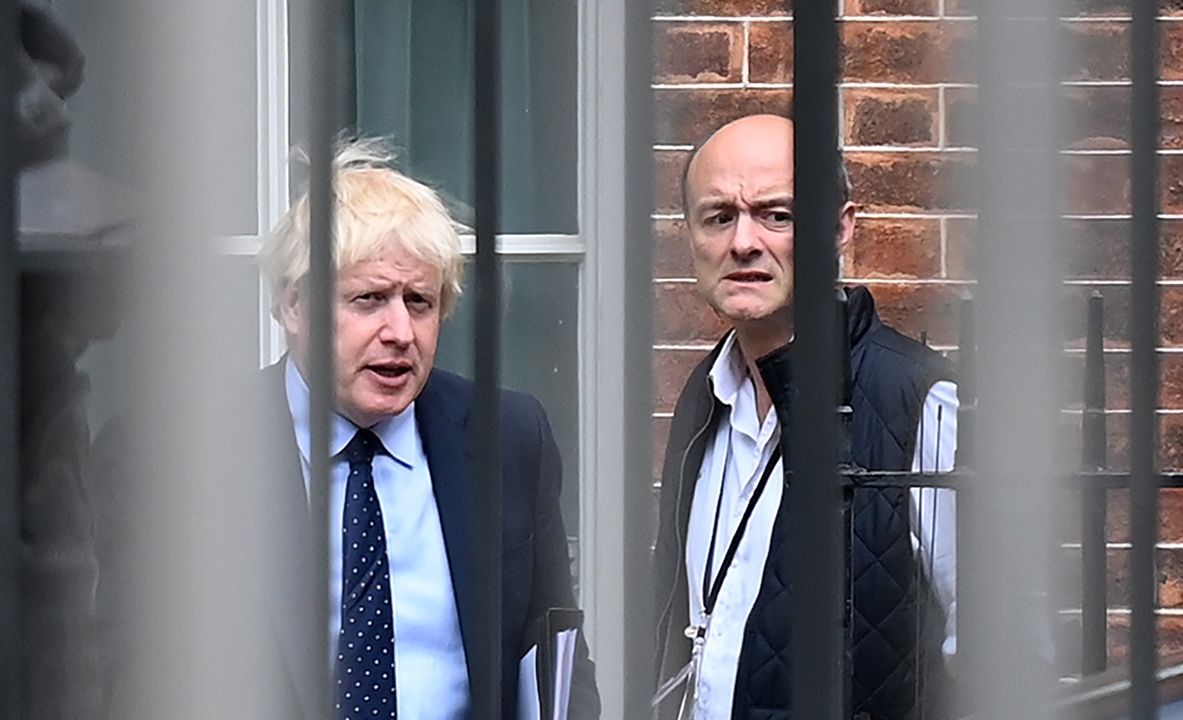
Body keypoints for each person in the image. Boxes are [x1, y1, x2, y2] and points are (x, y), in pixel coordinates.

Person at [256, 137, 600, 720]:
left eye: (419, 301)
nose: (400, 331)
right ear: (293, 307)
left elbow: (555, 663)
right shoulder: (192, 451)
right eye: (369, 299)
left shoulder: (507, 438)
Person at [652, 114, 958, 720]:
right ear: (690, 236)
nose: (743, 242)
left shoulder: (921, 401)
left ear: (840, 228)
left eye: (777, 214)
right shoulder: (705, 396)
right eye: (719, 216)